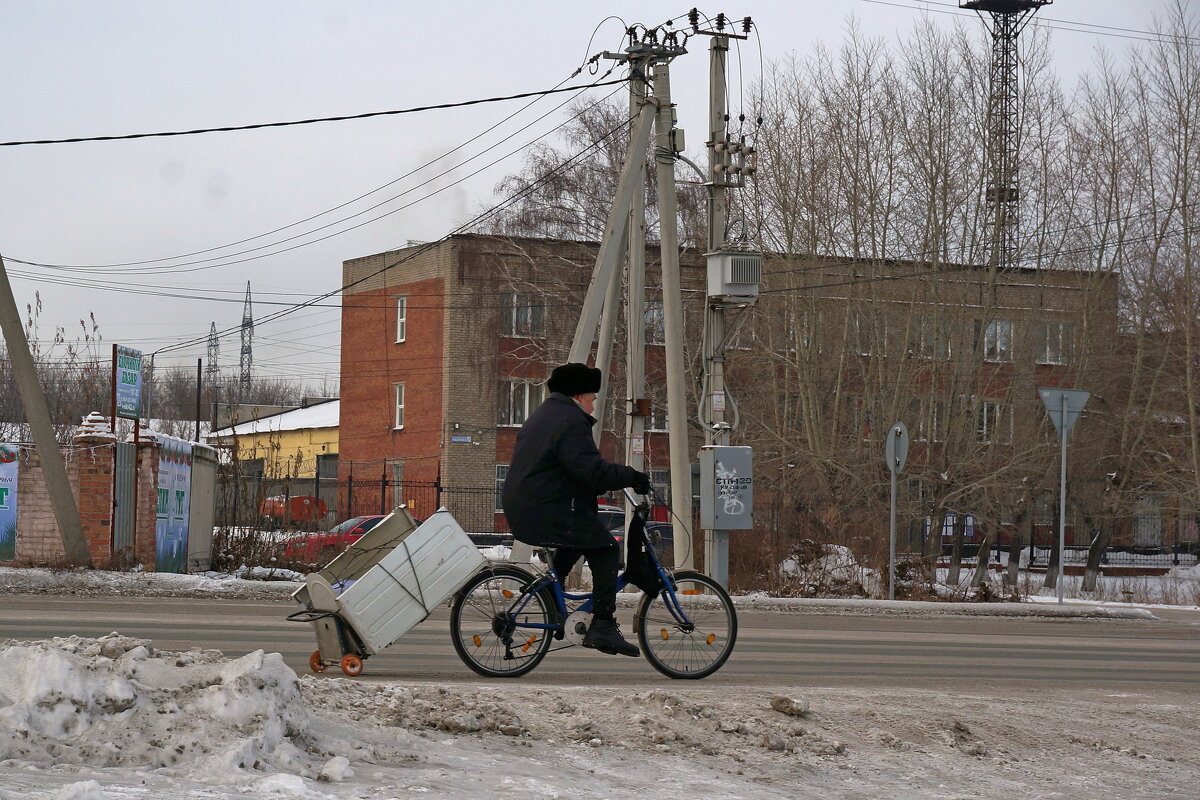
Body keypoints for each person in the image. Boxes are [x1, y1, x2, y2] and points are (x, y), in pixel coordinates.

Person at [501, 362, 652, 657]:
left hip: (531, 505)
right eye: (593, 399)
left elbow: (565, 470)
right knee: (606, 547)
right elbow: (590, 470)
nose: (594, 406)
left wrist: (597, 483)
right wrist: (631, 476)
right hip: (545, 508)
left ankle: (549, 595)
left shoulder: (545, 415)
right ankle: (604, 626)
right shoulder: (570, 420)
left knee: (578, 538)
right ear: (580, 395)